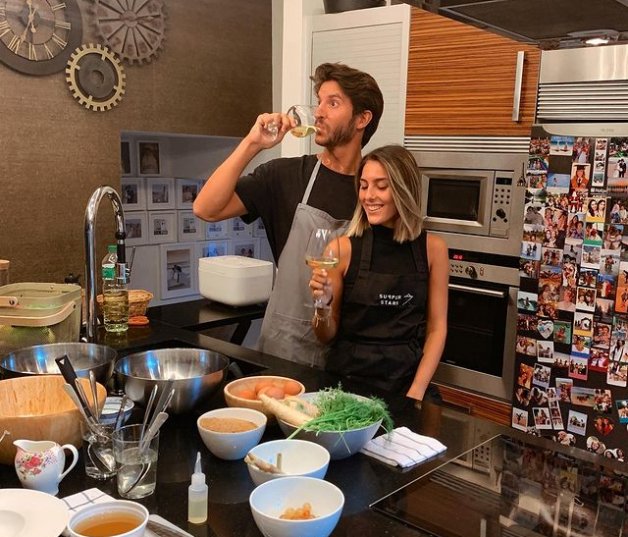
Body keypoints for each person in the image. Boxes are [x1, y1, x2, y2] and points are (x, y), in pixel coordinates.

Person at [193, 63, 384, 366]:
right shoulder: (285, 176)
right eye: (318, 100)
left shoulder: (375, 192)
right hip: (287, 352)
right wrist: (253, 143)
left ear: (362, 118)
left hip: (352, 359)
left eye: (332, 103)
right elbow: (205, 208)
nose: (319, 111)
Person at [308, 145, 449, 401]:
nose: (368, 196)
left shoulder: (434, 250)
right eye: (363, 186)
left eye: (381, 186)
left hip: (408, 385)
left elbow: (437, 329)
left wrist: (416, 392)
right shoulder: (341, 249)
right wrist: (322, 307)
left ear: (404, 190)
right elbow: (325, 335)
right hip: (348, 389)